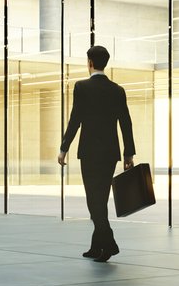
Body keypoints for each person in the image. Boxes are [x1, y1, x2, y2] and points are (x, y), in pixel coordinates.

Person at [58, 43, 136, 261]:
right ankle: (96, 245)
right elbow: (126, 123)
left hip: (90, 152)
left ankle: (109, 244)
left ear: (90, 63)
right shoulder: (117, 90)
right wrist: (129, 153)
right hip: (110, 153)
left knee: (94, 199)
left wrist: (64, 147)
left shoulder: (81, 87)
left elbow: (75, 120)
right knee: (99, 199)